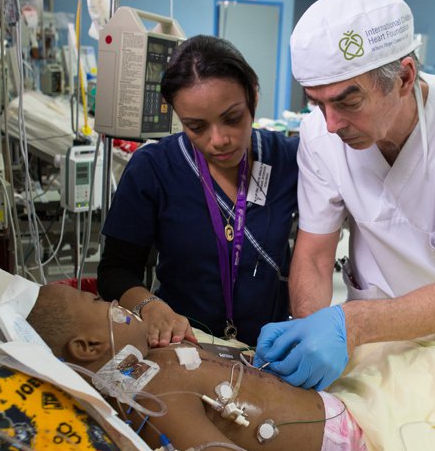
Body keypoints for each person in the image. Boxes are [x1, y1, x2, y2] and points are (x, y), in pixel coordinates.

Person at [254, 0, 435, 390]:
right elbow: (313, 255)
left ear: (404, 78)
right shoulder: (319, 135)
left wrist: (348, 324)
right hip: (373, 325)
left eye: (348, 101)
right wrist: (309, 329)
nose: (331, 123)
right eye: (317, 103)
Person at [26, 283, 409, 451]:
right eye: (99, 304)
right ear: (88, 346)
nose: (117, 305)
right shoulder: (151, 402)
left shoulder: (154, 359)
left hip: (355, 411)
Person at [97, 35, 299, 349]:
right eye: (196, 126)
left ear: (253, 98)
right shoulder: (153, 169)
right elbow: (115, 271)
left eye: (232, 118)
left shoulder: (287, 159)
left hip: (270, 349)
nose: (218, 140)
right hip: (187, 345)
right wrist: (149, 306)